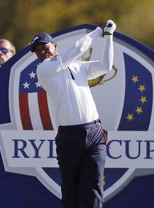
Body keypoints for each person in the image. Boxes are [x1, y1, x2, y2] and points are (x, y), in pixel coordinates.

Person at [31, 19, 116, 208]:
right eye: (38, 51)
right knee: (71, 192)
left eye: (44, 47)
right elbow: (77, 49)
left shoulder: (77, 66)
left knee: (92, 187)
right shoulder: (44, 69)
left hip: (94, 132)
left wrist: (108, 36)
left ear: (55, 45)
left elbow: (105, 66)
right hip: (69, 137)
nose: (42, 52)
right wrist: (97, 32)